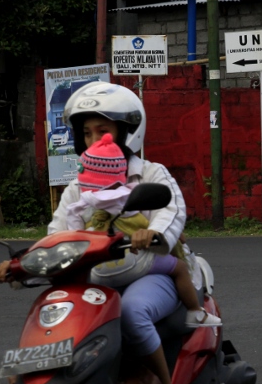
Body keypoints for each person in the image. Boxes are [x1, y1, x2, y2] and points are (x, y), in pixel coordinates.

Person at [0, 83, 211, 384]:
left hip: (148, 271)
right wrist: (23, 264)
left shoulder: (152, 174)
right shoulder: (79, 186)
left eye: (103, 130)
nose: (94, 138)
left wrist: (152, 236)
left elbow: (172, 213)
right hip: (98, 277)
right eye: (86, 132)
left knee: (131, 312)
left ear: (128, 132)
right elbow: (58, 235)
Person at [67, 131, 222, 329]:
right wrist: (159, 233)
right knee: (179, 268)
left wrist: (75, 241)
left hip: (99, 266)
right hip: (134, 257)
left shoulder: (81, 199)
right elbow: (155, 215)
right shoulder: (128, 191)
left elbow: (68, 226)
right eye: (87, 132)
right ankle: (195, 312)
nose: (94, 138)